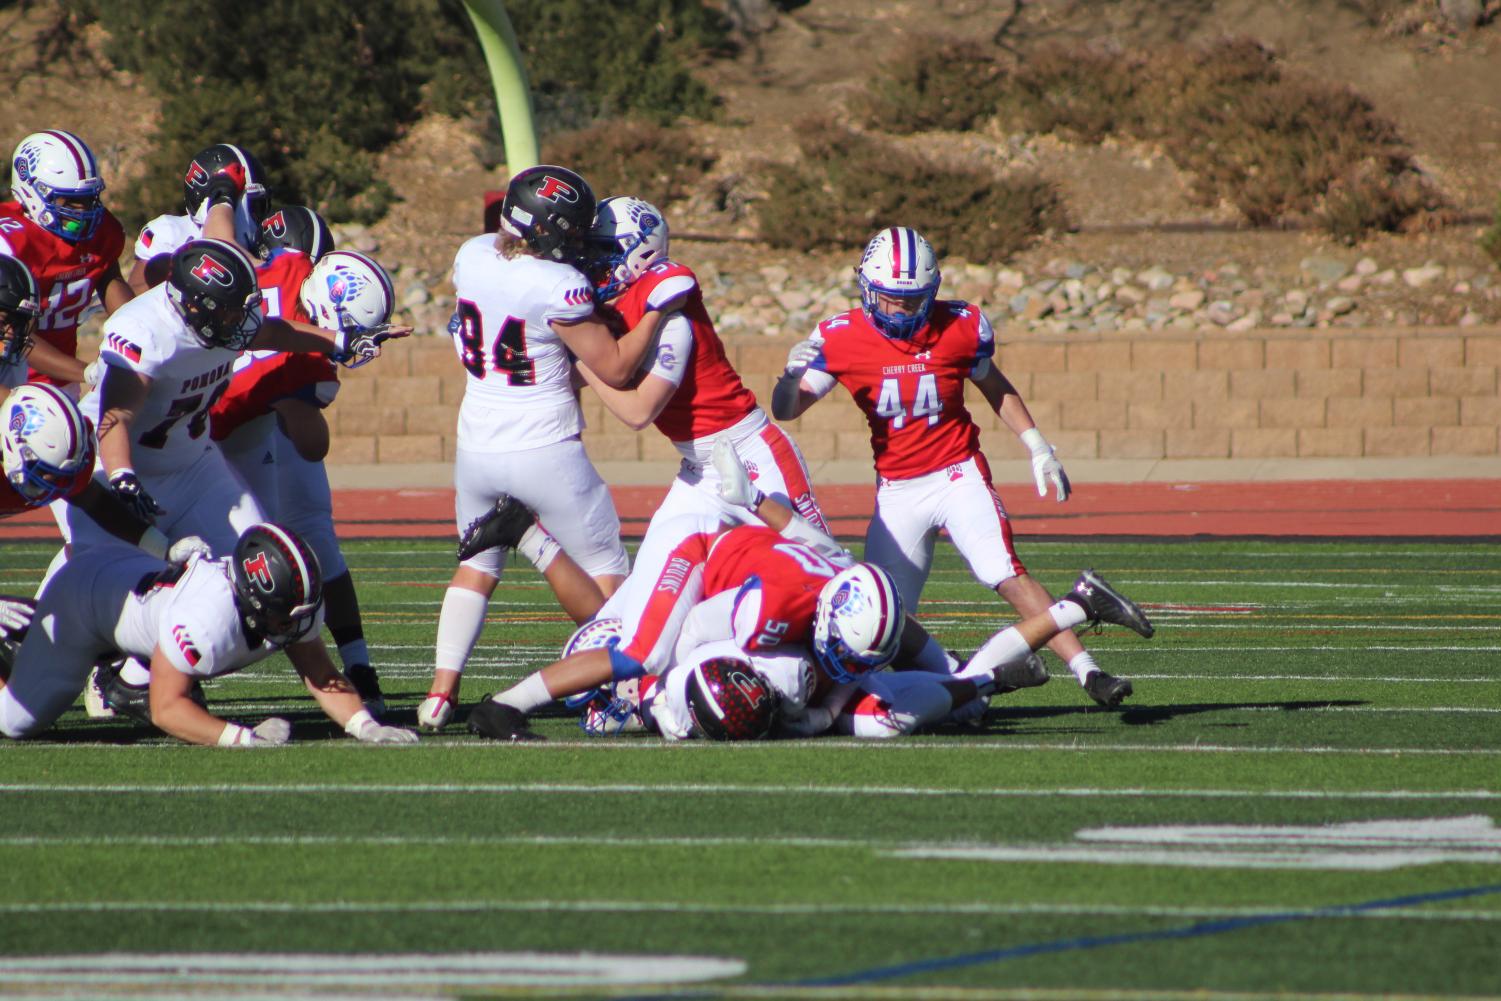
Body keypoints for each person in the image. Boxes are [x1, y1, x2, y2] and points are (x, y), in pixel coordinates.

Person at [771, 226, 1133, 708]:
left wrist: (1036, 443)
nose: (901, 310)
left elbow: (993, 384)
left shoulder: (960, 325)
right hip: (898, 490)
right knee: (884, 616)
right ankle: (962, 675)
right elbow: (787, 409)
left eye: (913, 299)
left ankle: (1089, 672)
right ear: (867, 290)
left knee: (1003, 571)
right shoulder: (841, 336)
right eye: (890, 299)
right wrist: (789, 377)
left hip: (958, 473)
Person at [417, 166, 686, 730]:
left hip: (476, 443)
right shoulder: (557, 285)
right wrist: (659, 309)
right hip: (544, 444)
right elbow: (613, 366)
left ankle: (440, 694)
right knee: (610, 575)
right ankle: (622, 687)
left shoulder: (472, 255)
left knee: (475, 567)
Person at [68, 236, 400, 560]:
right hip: (115, 466)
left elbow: (273, 331)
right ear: (197, 306)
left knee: (262, 559)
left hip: (195, 464)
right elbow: (116, 418)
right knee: (121, 577)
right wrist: (122, 477)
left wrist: (342, 340)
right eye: (232, 313)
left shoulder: (223, 318)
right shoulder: (145, 333)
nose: (243, 321)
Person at [0, 522, 417, 747]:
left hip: (135, 597)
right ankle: (14, 634)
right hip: (83, 604)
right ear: (255, 603)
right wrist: (240, 738)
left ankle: (119, 672)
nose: (295, 626)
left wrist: (364, 725)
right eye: (285, 616)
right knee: (15, 722)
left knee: (159, 650)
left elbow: (320, 673)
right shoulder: (205, 620)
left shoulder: (282, 608)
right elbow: (167, 709)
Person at [210, 231, 392, 715]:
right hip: (199, 438)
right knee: (256, 560)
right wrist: (310, 386)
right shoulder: (306, 364)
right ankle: (142, 672)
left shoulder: (285, 266)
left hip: (193, 418)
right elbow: (312, 445)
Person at [578, 195, 829, 534]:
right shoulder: (618, 311)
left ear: (642, 252)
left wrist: (580, 361)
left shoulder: (668, 310)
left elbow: (638, 412)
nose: (593, 261)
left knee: (822, 569)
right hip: (698, 469)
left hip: (750, 454)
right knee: (656, 579)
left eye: (602, 250)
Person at [2, 379, 208, 560]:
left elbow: (93, 501)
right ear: (13, 446)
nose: (54, 485)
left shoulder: (61, 458)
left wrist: (163, 548)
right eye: (44, 473)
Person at [0, 130, 134, 388]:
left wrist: (143, 332)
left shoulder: (101, 231)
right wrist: (88, 373)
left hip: (62, 380)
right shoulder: (10, 243)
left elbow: (109, 278)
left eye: (88, 198)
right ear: (33, 193)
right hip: (10, 379)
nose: (83, 211)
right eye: (71, 201)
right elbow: (14, 334)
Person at [127, 143, 269, 293]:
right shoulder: (170, 234)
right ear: (211, 201)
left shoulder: (270, 242)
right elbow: (129, 302)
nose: (259, 216)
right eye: (255, 206)